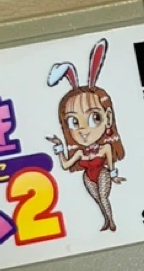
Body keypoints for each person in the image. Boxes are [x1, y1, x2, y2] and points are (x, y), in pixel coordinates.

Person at [46, 40, 125, 231]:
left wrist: (114, 175)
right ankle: (106, 221)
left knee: (103, 197)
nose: (83, 129)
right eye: (73, 122)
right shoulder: (81, 153)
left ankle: (112, 222)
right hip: (88, 178)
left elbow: (110, 162)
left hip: (102, 173)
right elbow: (66, 165)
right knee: (98, 199)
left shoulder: (104, 147)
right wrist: (59, 147)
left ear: (107, 118)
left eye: (94, 118)